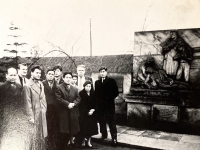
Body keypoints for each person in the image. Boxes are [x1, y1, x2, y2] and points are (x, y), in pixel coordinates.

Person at [0, 68, 32, 150]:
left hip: (17, 118)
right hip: (5, 118)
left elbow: (22, 103)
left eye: (15, 75)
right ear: (6, 75)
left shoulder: (19, 87)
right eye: (11, 75)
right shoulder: (2, 88)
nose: (13, 77)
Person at [23, 65, 47, 150]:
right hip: (34, 114)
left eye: (40, 73)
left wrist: (44, 109)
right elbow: (27, 102)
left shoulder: (41, 84)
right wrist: (30, 117)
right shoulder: (27, 85)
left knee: (42, 135)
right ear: (31, 73)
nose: (38, 74)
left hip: (41, 113)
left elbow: (43, 98)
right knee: (33, 137)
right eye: (36, 72)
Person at [94, 66, 119, 146]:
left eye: (103, 71)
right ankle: (104, 135)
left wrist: (108, 98)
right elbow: (96, 95)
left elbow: (116, 92)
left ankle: (114, 138)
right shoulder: (97, 83)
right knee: (102, 121)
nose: (102, 73)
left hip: (109, 106)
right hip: (101, 107)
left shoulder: (111, 81)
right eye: (101, 72)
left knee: (111, 122)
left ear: (106, 72)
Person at [55, 72, 80, 150]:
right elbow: (59, 98)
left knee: (70, 131)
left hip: (72, 113)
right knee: (63, 132)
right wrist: (68, 104)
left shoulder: (75, 89)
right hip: (63, 113)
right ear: (63, 78)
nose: (68, 79)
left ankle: (66, 146)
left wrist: (73, 104)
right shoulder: (59, 87)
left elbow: (78, 98)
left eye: (70, 77)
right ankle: (62, 147)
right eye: (67, 77)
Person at [42, 69, 59, 150]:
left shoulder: (57, 84)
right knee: (47, 127)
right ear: (46, 75)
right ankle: (47, 144)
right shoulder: (42, 83)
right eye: (49, 74)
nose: (51, 75)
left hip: (55, 110)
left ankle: (53, 144)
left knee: (54, 127)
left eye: (52, 74)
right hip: (46, 109)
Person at [79, 80, 98, 148]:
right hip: (84, 114)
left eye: (90, 86)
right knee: (84, 128)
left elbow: (96, 103)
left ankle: (89, 141)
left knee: (91, 129)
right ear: (84, 87)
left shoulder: (93, 93)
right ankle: (83, 141)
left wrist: (93, 110)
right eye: (87, 86)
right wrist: (87, 111)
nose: (88, 87)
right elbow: (81, 105)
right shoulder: (81, 93)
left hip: (92, 114)